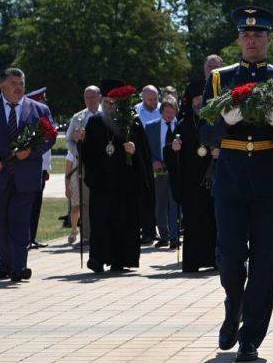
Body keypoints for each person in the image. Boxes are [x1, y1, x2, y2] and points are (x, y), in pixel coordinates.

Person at [200, 6, 273, 363]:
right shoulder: (219, 79)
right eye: (247, 34)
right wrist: (225, 123)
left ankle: (251, 335)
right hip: (231, 174)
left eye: (259, 35)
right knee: (229, 257)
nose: (253, 39)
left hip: (270, 173)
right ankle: (233, 308)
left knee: (265, 260)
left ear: (267, 39)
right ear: (239, 39)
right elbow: (204, 129)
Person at [0, 68, 55, 282]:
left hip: (26, 175)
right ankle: (5, 263)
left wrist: (32, 151)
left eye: (22, 83)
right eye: (14, 83)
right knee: (1, 221)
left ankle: (19, 266)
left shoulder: (39, 110)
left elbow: (50, 136)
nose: (19, 87)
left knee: (20, 220)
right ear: (2, 85)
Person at [83, 79, 154, 274]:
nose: (109, 106)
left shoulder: (132, 122)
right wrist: (81, 143)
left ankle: (121, 260)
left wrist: (134, 150)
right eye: (105, 102)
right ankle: (97, 258)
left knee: (124, 222)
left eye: (113, 103)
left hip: (125, 185)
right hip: (102, 184)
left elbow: (144, 156)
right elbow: (88, 155)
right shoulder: (95, 122)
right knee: (100, 223)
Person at [168, 79, 218, 273]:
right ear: (189, 102)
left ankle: (215, 260)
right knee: (193, 223)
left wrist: (219, 152)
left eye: (201, 98)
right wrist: (174, 149)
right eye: (195, 99)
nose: (198, 102)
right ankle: (193, 262)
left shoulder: (214, 122)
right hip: (191, 183)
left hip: (212, 180)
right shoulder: (182, 125)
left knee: (213, 221)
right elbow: (169, 151)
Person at [65, 86, 101, 245]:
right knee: (85, 202)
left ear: (100, 97)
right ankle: (86, 236)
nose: (90, 100)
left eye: (93, 96)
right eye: (87, 97)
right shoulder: (78, 118)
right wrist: (78, 150)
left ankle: (104, 234)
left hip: (105, 165)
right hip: (85, 165)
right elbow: (68, 141)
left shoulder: (107, 113)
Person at [145, 97, 181, 248]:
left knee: (175, 204)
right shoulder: (151, 126)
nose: (169, 115)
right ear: (161, 112)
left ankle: (174, 236)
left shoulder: (180, 126)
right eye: (167, 112)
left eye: (172, 113)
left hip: (175, 171)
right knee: (160, 204)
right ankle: (163, 235)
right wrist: (153, 161)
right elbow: (146, 148)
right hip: (159, 169)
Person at [24, 87, 52, 250]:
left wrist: (46, 168)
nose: (44, 103)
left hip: (41, 169)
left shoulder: (43, 120)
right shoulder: (32, 121)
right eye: (41, 100)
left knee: (36, 205)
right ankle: (26, 237)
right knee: (29, 204)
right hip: (32, 169)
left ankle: (31, 237)